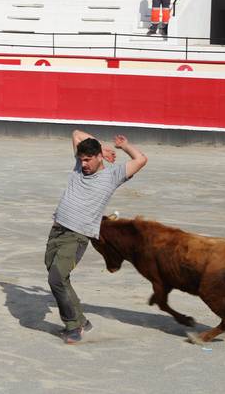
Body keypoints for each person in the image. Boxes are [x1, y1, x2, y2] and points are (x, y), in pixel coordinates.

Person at [45, 130, 147, 344]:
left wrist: (124, 147)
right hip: (57, 231)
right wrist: (101, 146)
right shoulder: (79, 167)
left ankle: (73, 327)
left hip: (77, 235)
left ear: (99, 158)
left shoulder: (112, 176)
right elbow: (75, 134)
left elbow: (141, 160)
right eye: (81, 159)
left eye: (88, 160)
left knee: (56, 278)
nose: (83, 164)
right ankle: (82, 321)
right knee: (59, 277)